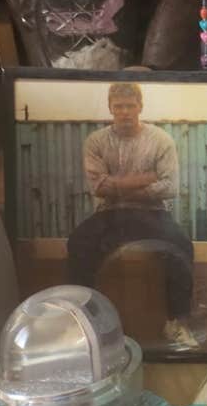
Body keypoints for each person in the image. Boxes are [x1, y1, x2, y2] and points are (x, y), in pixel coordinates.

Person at [67, 83, 199, 350]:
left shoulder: (160, 140)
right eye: (119, 106)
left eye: (130, 106)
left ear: (140, 107)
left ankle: (177, 322)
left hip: (153, 213)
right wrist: (147, 178)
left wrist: (117, 186)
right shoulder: (96, 142)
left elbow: (170, 188)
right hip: (109, 213)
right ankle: (85, 324)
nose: (125, 112)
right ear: (110, 108)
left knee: (182, 246)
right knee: (78, 243)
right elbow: (99, 187)